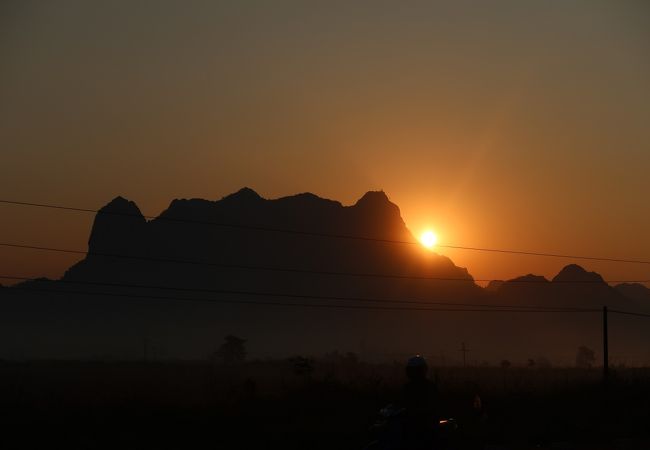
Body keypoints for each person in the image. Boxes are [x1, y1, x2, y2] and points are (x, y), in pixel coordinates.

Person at [401, 355, 440, 449]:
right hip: (415, 426)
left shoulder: (409, 388)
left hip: (424, 427)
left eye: (415, 370)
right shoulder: (408, 388)